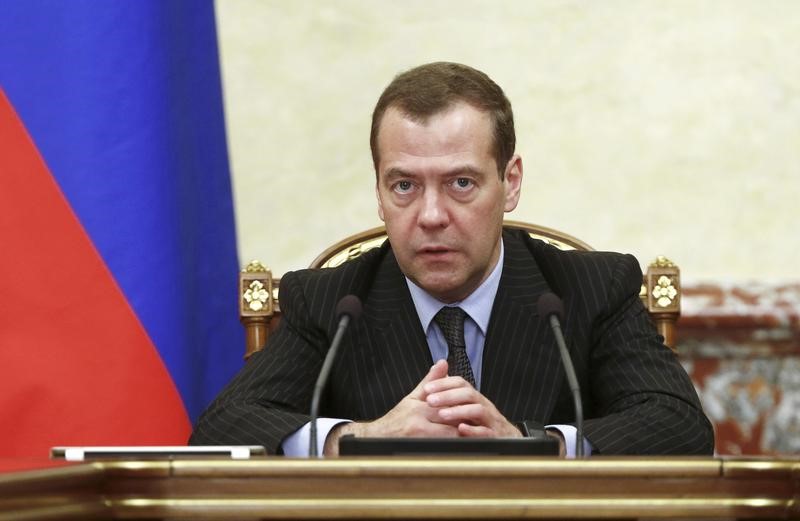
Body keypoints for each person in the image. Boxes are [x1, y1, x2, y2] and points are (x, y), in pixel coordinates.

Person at [190, 62, 714, 457]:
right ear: (378, 191)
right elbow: (220, 430)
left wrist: (533, 445)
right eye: (404, 186)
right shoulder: (332, 302)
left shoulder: (590, 289)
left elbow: (678, 425)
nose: (431, 215)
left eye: (461, 183)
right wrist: (359, 438)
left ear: (509, 183)